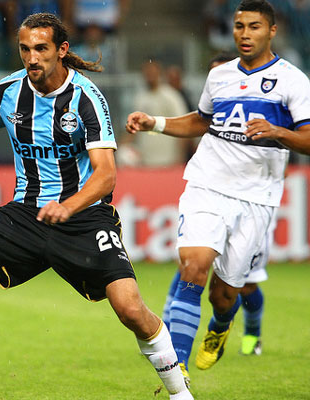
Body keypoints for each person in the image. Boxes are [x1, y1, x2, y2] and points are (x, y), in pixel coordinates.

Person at [0, 12, 192, 400]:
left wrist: (68, 207)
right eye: (25, 49)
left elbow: (105, 176)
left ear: (62, 50)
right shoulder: (5, 92)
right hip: (26, 213)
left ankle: (180, 393)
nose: (32, 58)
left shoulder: (86, 99)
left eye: (41, 49)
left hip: (85, 216)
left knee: (131, 311)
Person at [126, 0, 310, 385]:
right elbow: (201, 121)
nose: (245, 33)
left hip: (257, 196)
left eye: (254, 27)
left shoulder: (294, 81)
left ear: (272, 31)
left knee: (225, 293)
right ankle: (177, 372)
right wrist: (154, 123)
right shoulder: (220, 76)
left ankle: (221, 324)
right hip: (207, 184)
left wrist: (278, 132)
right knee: (192, 267)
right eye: (239, 26)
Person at [162, 51, 266, 357]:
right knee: (192, 266)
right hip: (210, 194)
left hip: (251, 203)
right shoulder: (209, 110)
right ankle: (174, 351)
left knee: (240, 288)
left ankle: (248, 332)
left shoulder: (261, 109)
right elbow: (196, 127)